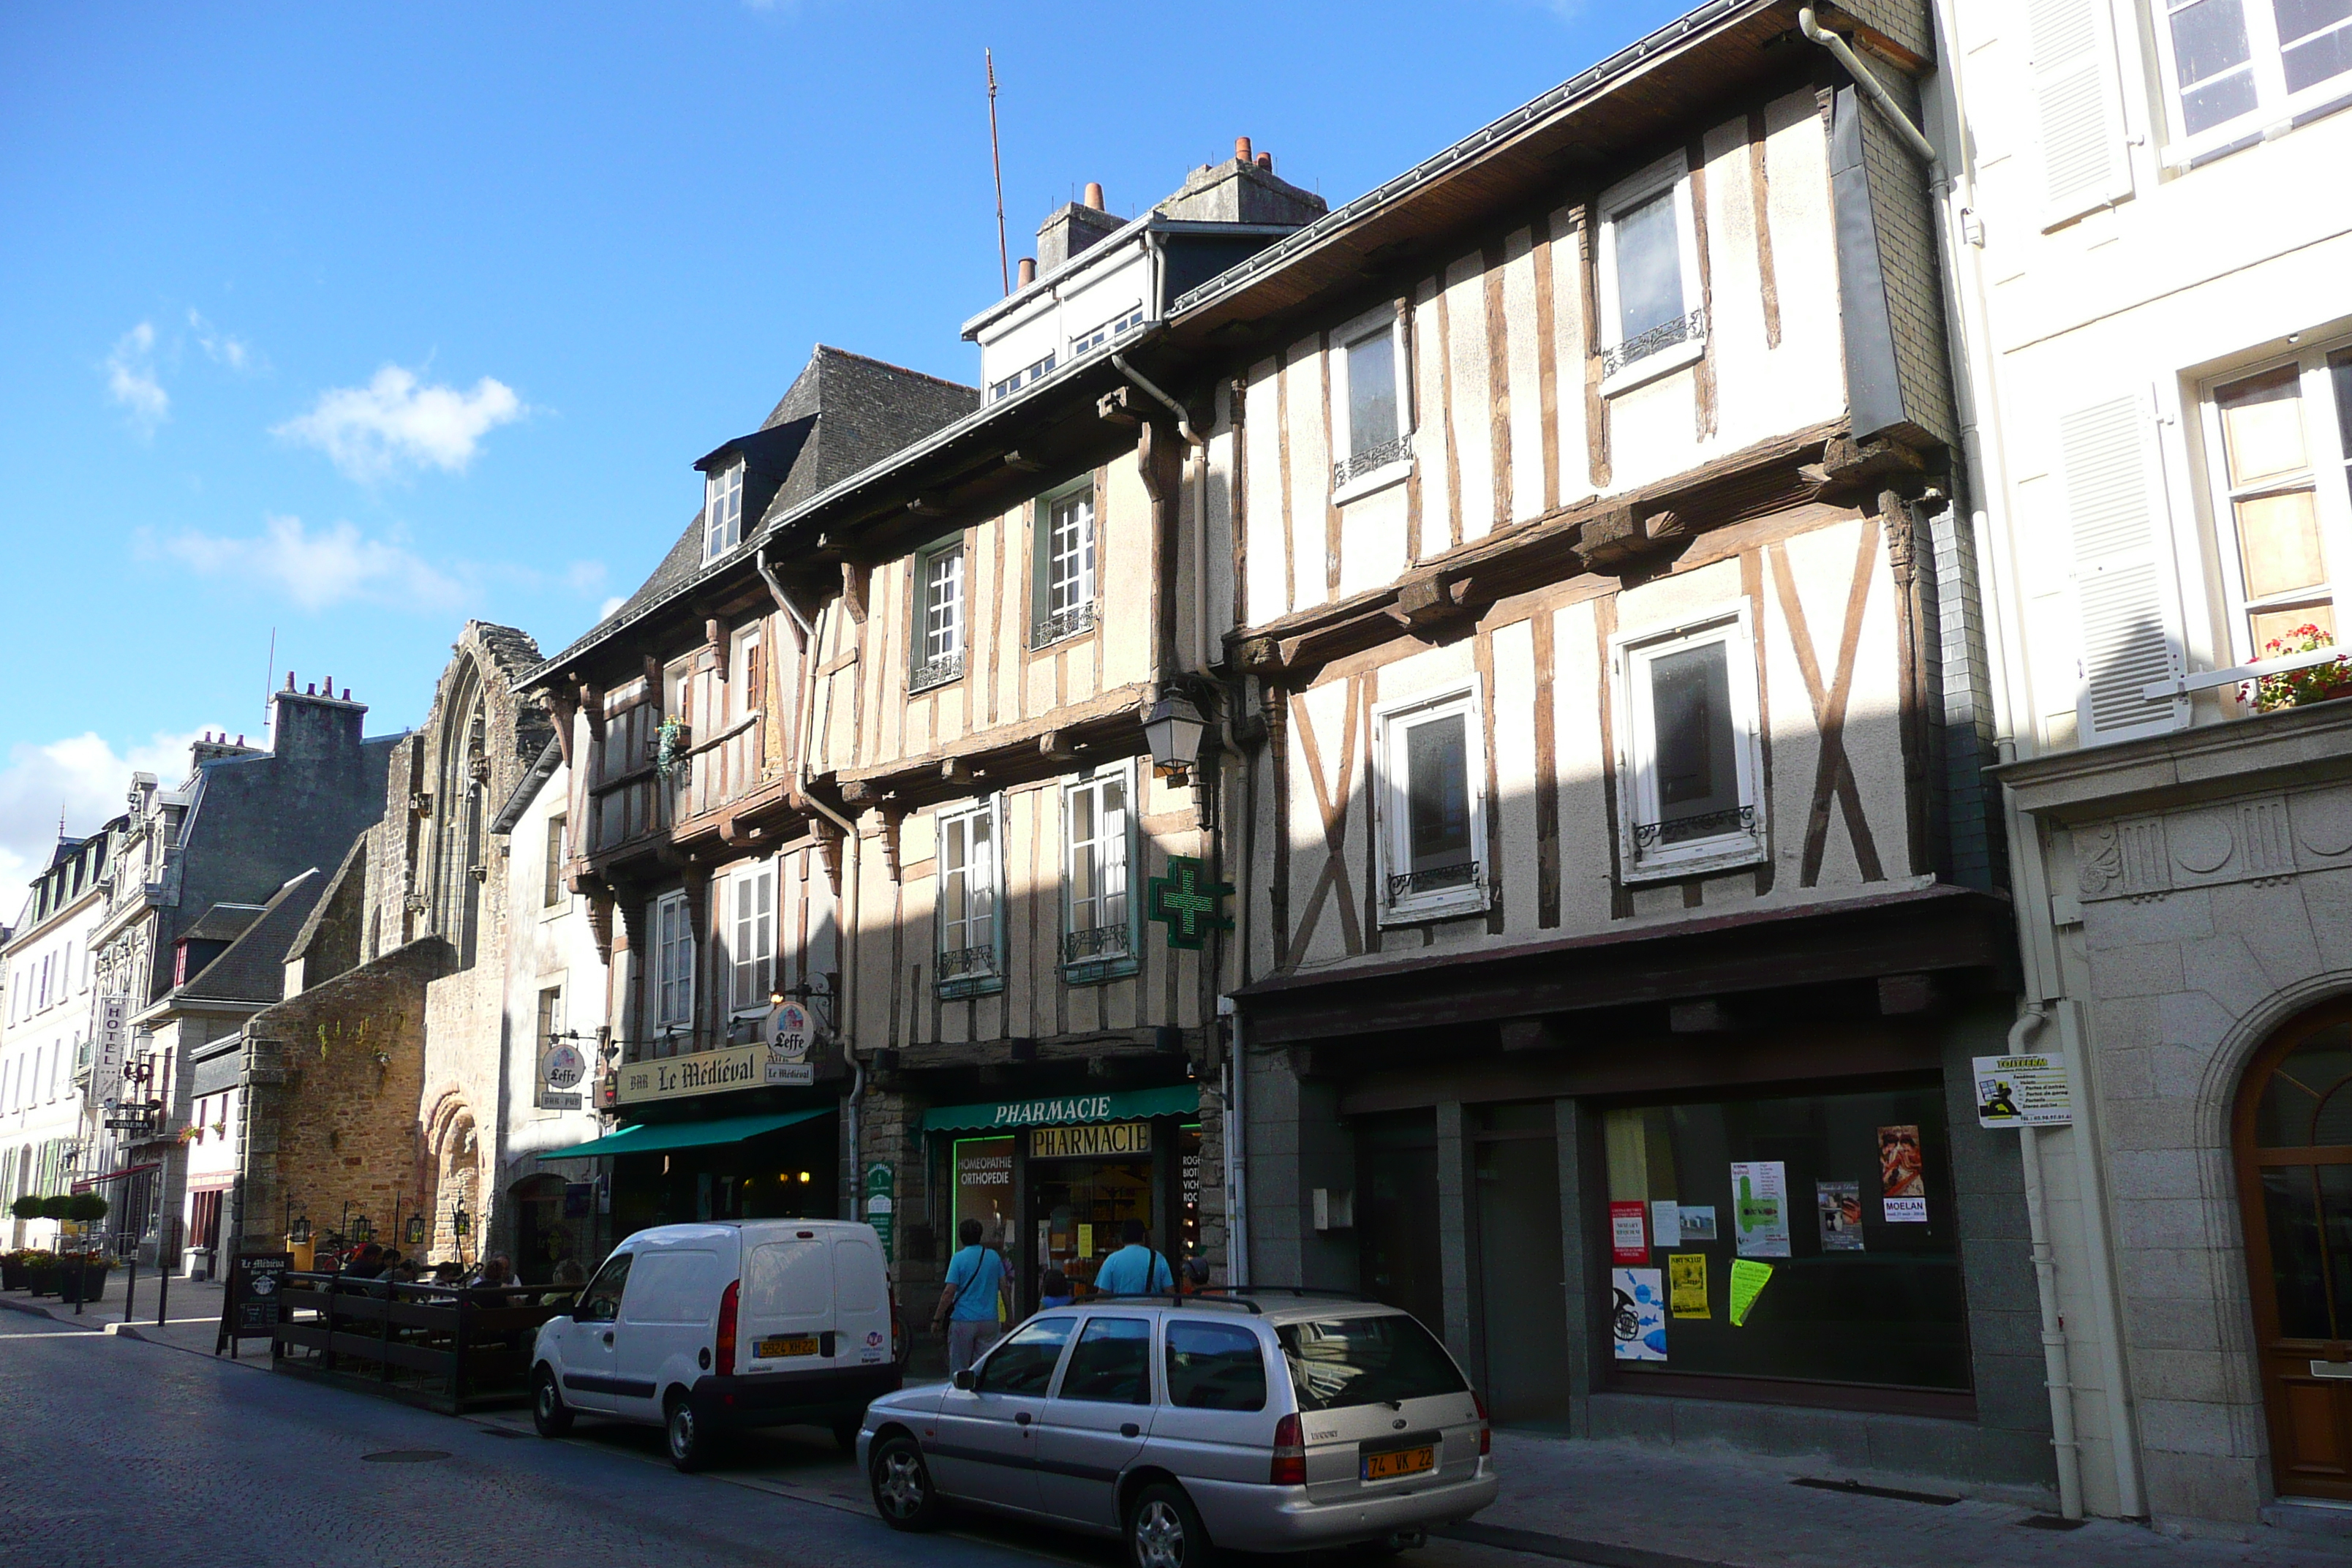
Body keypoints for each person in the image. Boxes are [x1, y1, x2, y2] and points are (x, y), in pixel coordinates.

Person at [935, 1218, 1008, 1377]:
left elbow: (949, 1292)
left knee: (959, 1369)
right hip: (989, 1320)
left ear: (961, 1237)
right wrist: (1009, 1315)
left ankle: (958, 1397)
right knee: (984, 1367)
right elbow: (1004, 1287)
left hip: (963, 1320)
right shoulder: (993, 1257)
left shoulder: (958, 1258)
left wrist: (937, 1318)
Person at [1090, 1219, 1173, 1296]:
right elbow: (1170, 1293)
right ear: (1144, 1236)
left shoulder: (1111, 1260)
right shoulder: (1158, 1258)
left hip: (1120, 1310)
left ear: (1122, 1238)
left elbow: (1102, 1295)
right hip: (1151, 1309)